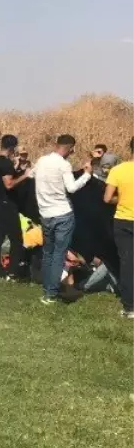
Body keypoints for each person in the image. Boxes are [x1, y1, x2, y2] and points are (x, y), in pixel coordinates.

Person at [33, 135, 92, 304]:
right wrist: (87, 174)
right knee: (59, 254)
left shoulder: (42, 160)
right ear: (70, 148)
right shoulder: (64, 164)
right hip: (62, 213)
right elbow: (72, 188)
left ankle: (47, 288)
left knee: (48, 253)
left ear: (56, 145)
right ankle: (51, 293)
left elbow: (32, 175)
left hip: (45, 213)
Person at [0, 135, 30, 279]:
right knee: (16, 238)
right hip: (6, 204)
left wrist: (14, 168)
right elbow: (8, 184)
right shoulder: (5, 163)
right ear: (13, 148)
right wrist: (25, 175)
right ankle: (12, 270)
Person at [103, 136, 134, 318]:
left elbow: (107, 198)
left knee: (127, 263)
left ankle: (130, 307)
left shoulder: (118, 170)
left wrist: (120, 198)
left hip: (123, 221)